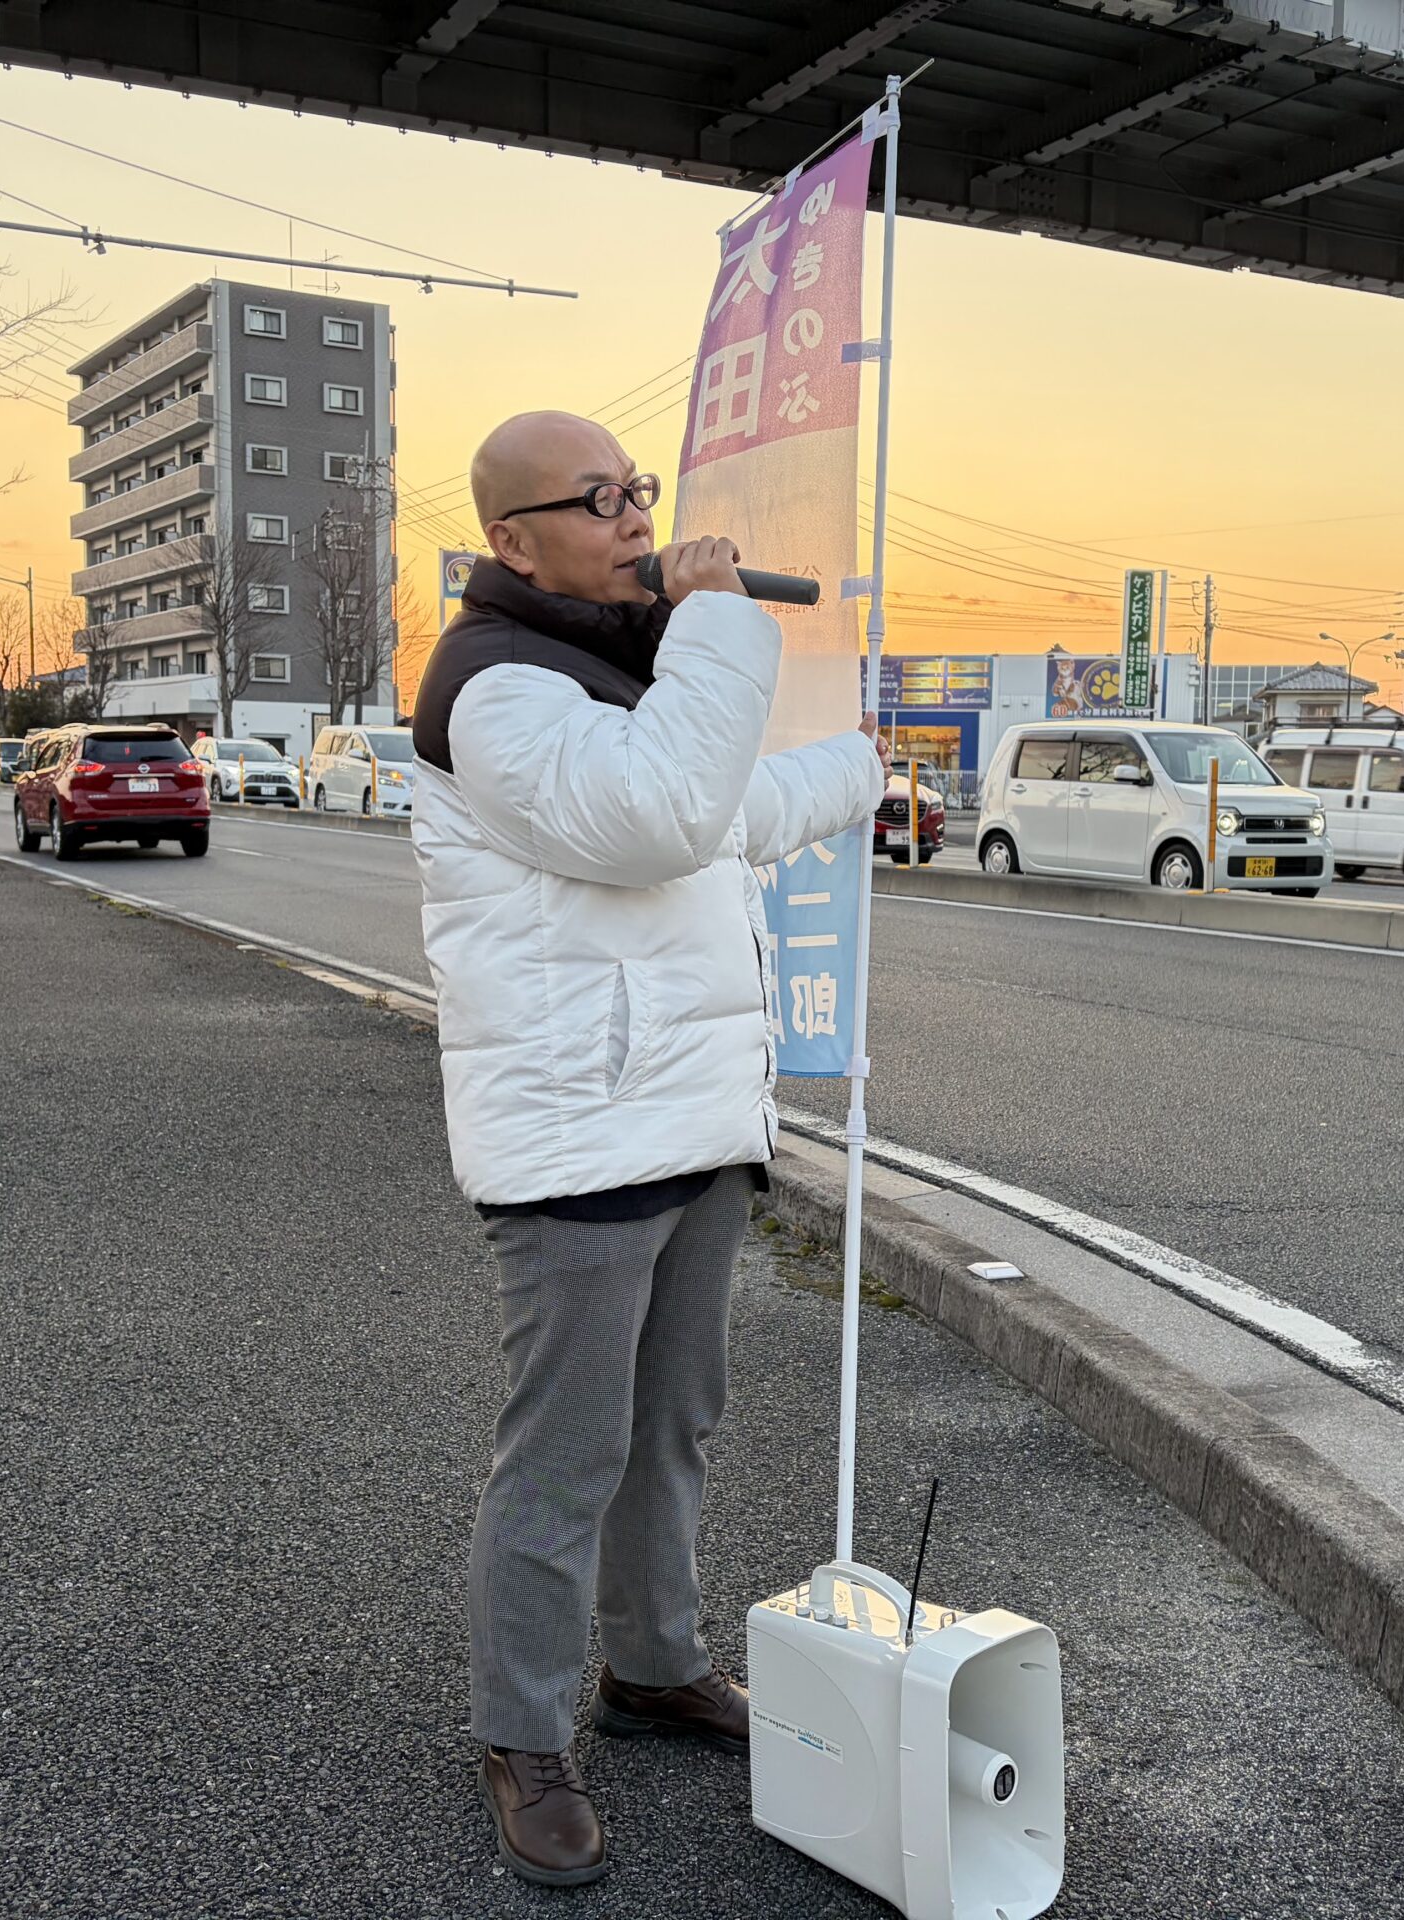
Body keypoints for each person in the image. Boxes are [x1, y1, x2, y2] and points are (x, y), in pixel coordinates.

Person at [410, 410, 885, 1886]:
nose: (636, 517)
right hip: (575, 1141)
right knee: (567, 1454)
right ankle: (522, 1730)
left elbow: (722, 812)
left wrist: (858, 770)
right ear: (514, 536)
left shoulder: (612, 669)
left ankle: (653, 1662)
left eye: (642, 492)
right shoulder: (493, 688)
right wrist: (724, 616)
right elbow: (661, 811)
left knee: (672, 1428)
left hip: (687, 1122)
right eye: (601, 498)